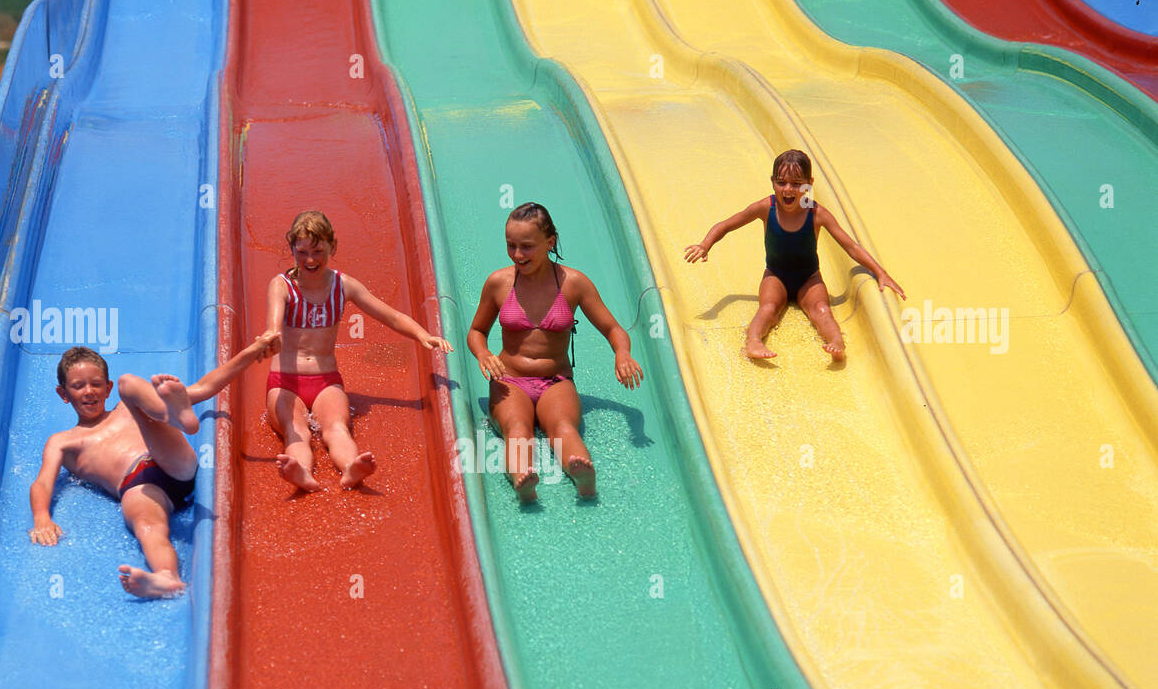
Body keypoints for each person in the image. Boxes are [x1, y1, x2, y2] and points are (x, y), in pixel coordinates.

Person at [28, 333, 277, 598]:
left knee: (130, 385)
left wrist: (254, 350)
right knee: (148, 526)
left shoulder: (125, 407)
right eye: (78, 386)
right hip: (138, 485)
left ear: (107, 388)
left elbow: (206, 387)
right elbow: (43, 482)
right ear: (63, 393)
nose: (89, 391)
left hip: (167, 458)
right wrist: (42, 517)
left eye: (96, 384)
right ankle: (166, 577)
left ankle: (175, 416)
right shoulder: (63, 441)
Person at [263, 210, 452, 492]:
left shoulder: (343, 286)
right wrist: (269, 338)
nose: (310, 260)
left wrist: (422, 334)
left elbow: (390, 316)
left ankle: (351, 467)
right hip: (284, 381)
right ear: (291, 248)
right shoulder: (282, 286)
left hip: (325, 380)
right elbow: (273, 327)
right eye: (302, 252)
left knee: (337, 427)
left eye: (318, 251)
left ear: (332, 247)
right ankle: (301, 472)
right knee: (297, 431)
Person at [468, 202, 642, 502]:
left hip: (555, 380)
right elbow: (476, 332)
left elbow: (613, 328)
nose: (518, 255)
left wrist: (622, 353)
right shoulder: (499, 282)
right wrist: (484, 355)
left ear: (550, 242)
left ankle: (583, 475)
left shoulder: (574, 283)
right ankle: (524, 479)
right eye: (511, 246)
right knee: (517, 427)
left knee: (562, 426)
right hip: (509, 380)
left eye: (527, 246)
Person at [684, 149, 905, 361]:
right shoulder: (765, 207)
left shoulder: (816, 213)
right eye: (781, 182)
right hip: (775, 276)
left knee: (821, 309)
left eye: (797, 184)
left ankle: (837, 341)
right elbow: (726, 225)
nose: (788, 189)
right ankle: (753, 342)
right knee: (768, 309)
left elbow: (851, 246)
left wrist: (880, 272)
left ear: (810, 184)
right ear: (773, 182)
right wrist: (705, 244)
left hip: (809, 278)